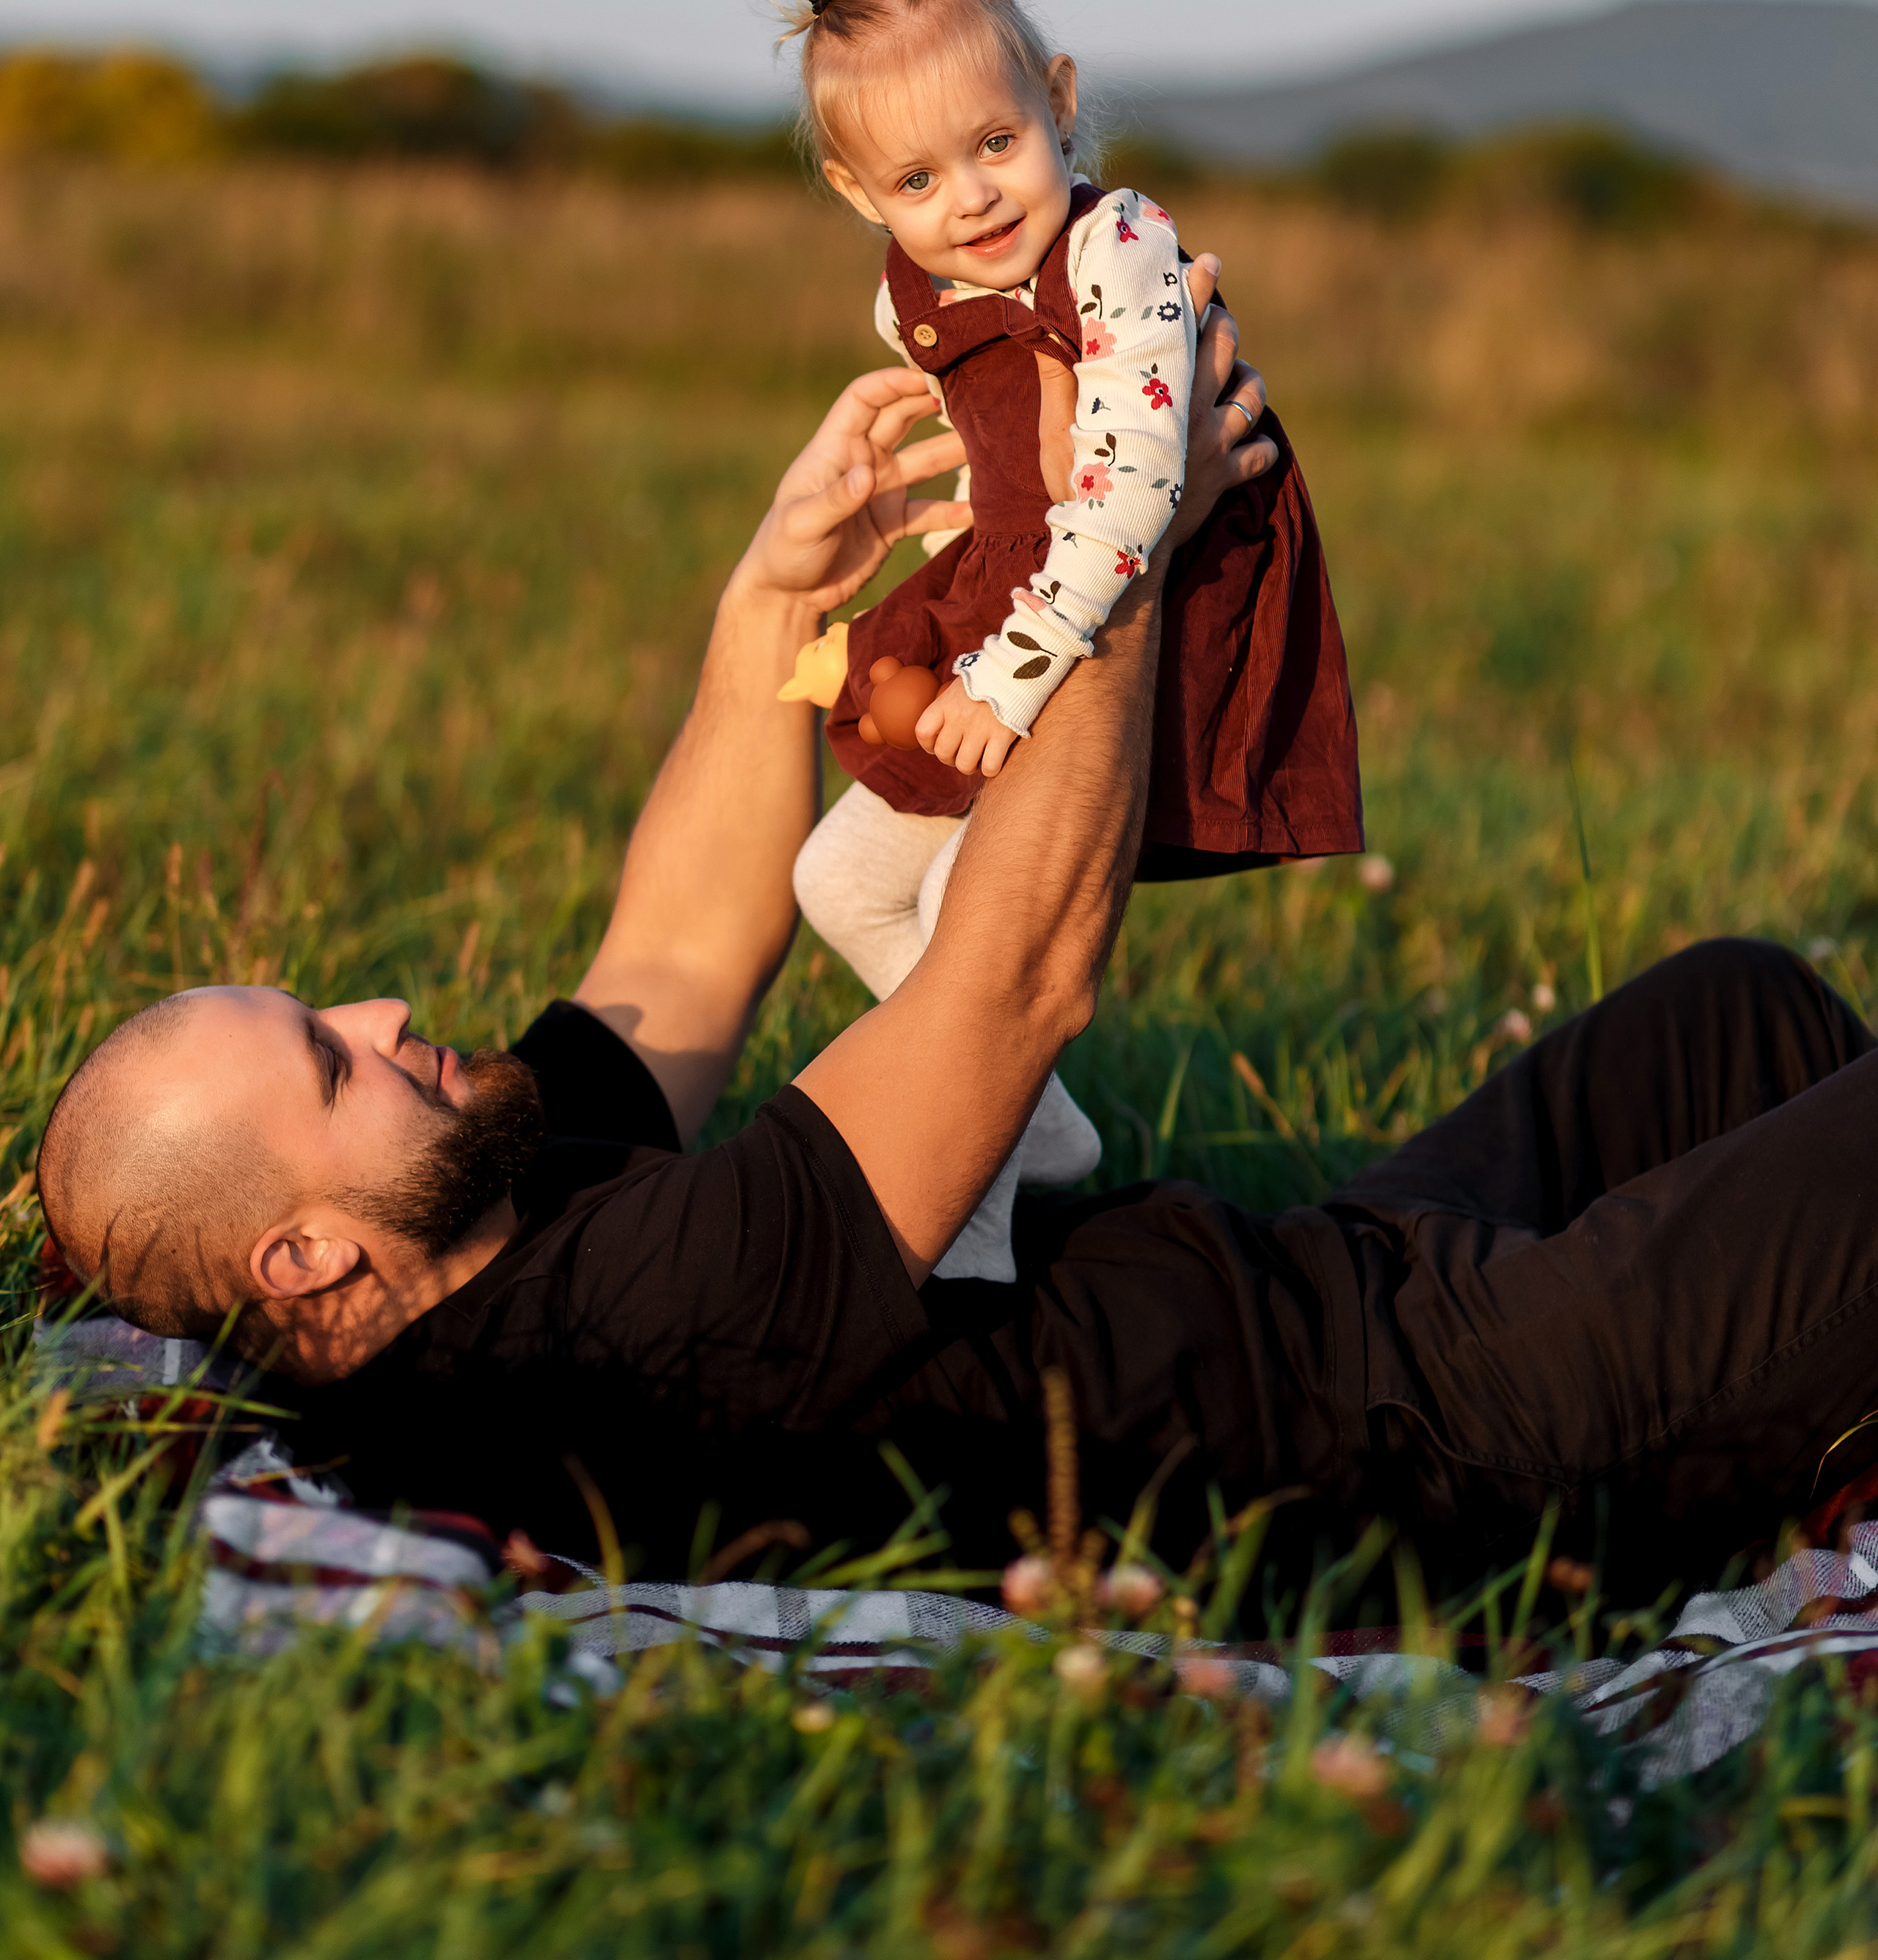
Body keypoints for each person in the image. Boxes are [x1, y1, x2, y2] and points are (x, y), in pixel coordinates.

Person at [32, 300, 1878, 1609]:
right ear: (307, 1258)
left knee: (1738, 1014)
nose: (383, 1013)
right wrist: (1114, 539)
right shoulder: (617, 1343)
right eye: (332, 1058)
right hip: (1447, 1434)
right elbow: (1010, 979)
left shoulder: (492, 1218)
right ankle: (1707, 1461)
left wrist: (773, 597)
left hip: (1323, 1277)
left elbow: (670, 950)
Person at [767, 0, 1362, 1277]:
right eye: (915, 181)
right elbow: (1017, 433)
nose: (969, 198)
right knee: (839, 877)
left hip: (1134, 625)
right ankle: (1038, 1132)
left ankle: (964, 1255)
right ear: (860, 195)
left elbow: (1144, 486)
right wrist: (973, 519)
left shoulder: (1122, 251)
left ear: (1059, 99)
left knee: (969, 939)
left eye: (995, 143)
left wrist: (1010, 668)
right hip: (1023, 603)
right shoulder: (905, 292)